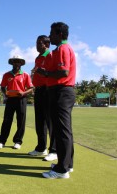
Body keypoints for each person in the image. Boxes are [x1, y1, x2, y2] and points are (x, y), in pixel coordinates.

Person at [36, 22, 76, 179]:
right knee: (64, 130)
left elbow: (63, 72)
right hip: (61, 92)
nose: (49, 36)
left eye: (51, 33)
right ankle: (67, 164)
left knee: (61, 131)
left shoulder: (62, 49)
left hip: (61, 92)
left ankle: (62, 170)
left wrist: (45, 73)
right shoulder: (61, 49)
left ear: (59, 34)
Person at [28, 35, 57, 162]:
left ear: (46, 45)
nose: (37, 45)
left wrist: (39, 71)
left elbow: (51, 72)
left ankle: (54, 150)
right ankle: (41, 148)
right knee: (39, 122)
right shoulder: (37, 58)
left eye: (39, 43)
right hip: (39, 91)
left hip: (48, 90)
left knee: (50, 121)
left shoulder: (50, 55)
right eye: (36, 43)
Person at [0, 55, 33, 149]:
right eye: (15, 61)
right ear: (12, 63)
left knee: (21, 121)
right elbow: (3, 87)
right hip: (10, 100)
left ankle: (18, 141)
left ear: (21, 64)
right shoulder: (6, 75)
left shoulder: (25, 75)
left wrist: (24, 93)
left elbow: (31, 89)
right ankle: (2, 141)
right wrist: (5, 94)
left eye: (18, 61)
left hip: (21, 99)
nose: (16, 63)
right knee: (7, 120)